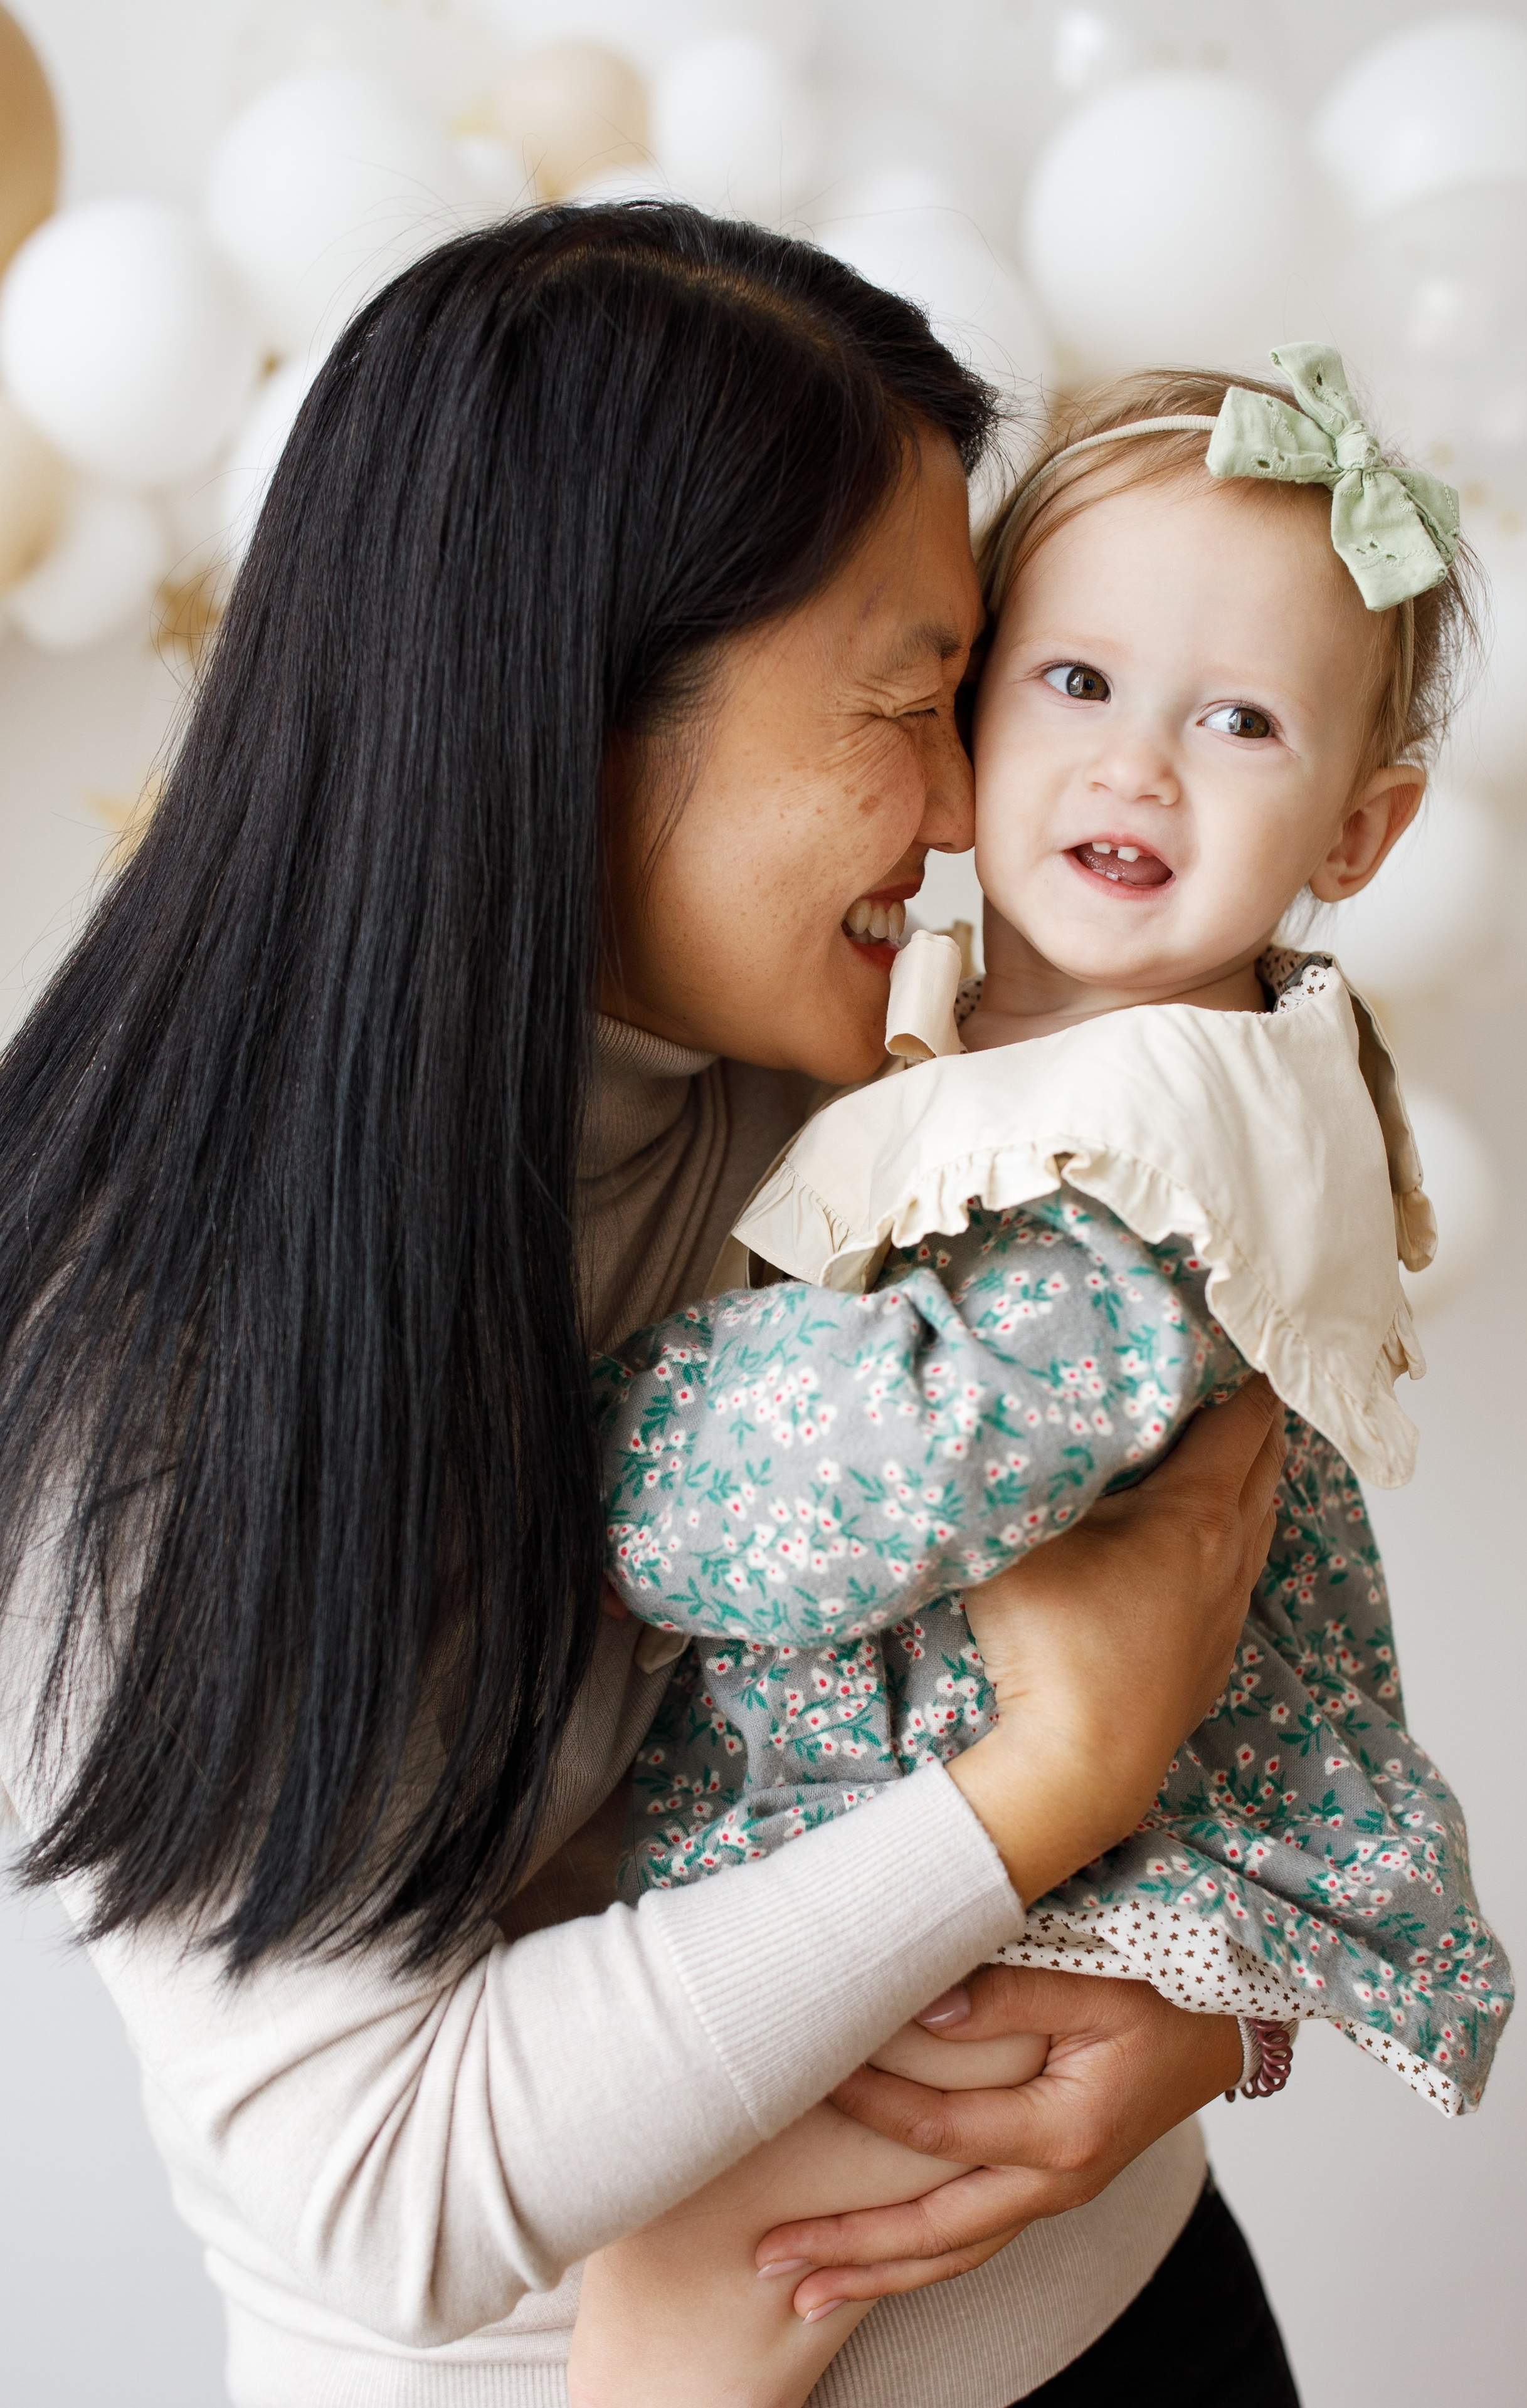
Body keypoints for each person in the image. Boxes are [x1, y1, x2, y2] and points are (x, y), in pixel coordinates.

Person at [0, 204, 1294, 2408]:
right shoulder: (151, 1342)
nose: (972, 806)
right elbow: (370, 2178)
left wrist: (1222, 2005)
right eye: (907, 706)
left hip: (1117, 2304)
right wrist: (1050, 1785)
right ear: (572, 713)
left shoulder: (860, 1074)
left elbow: (1252, 1580)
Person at [568, 350, 1513, 2408]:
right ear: (968, 707)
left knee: (707, 2268)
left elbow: (926, 1448)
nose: (1140, 769)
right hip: (999, 1828)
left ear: (1361, 827)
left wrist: (607, 1437)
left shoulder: (1158, 1133)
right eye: (1079, 681)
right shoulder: (965, 1043)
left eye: (1238, 721)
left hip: (1055, 1866)